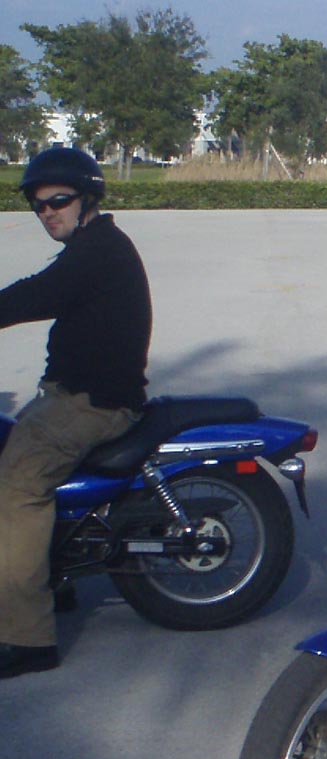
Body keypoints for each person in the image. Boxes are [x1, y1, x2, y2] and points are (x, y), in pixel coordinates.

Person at [0, 147, 153, 678]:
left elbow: (32, 297)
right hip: (75, 395)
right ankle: (49, 573)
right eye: (39, 205)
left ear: (87, 199)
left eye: (58, 201)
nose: (47, 212)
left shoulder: (96, 252)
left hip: (92, 404)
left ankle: (27, 639)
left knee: (17, 487)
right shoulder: (92, 246)